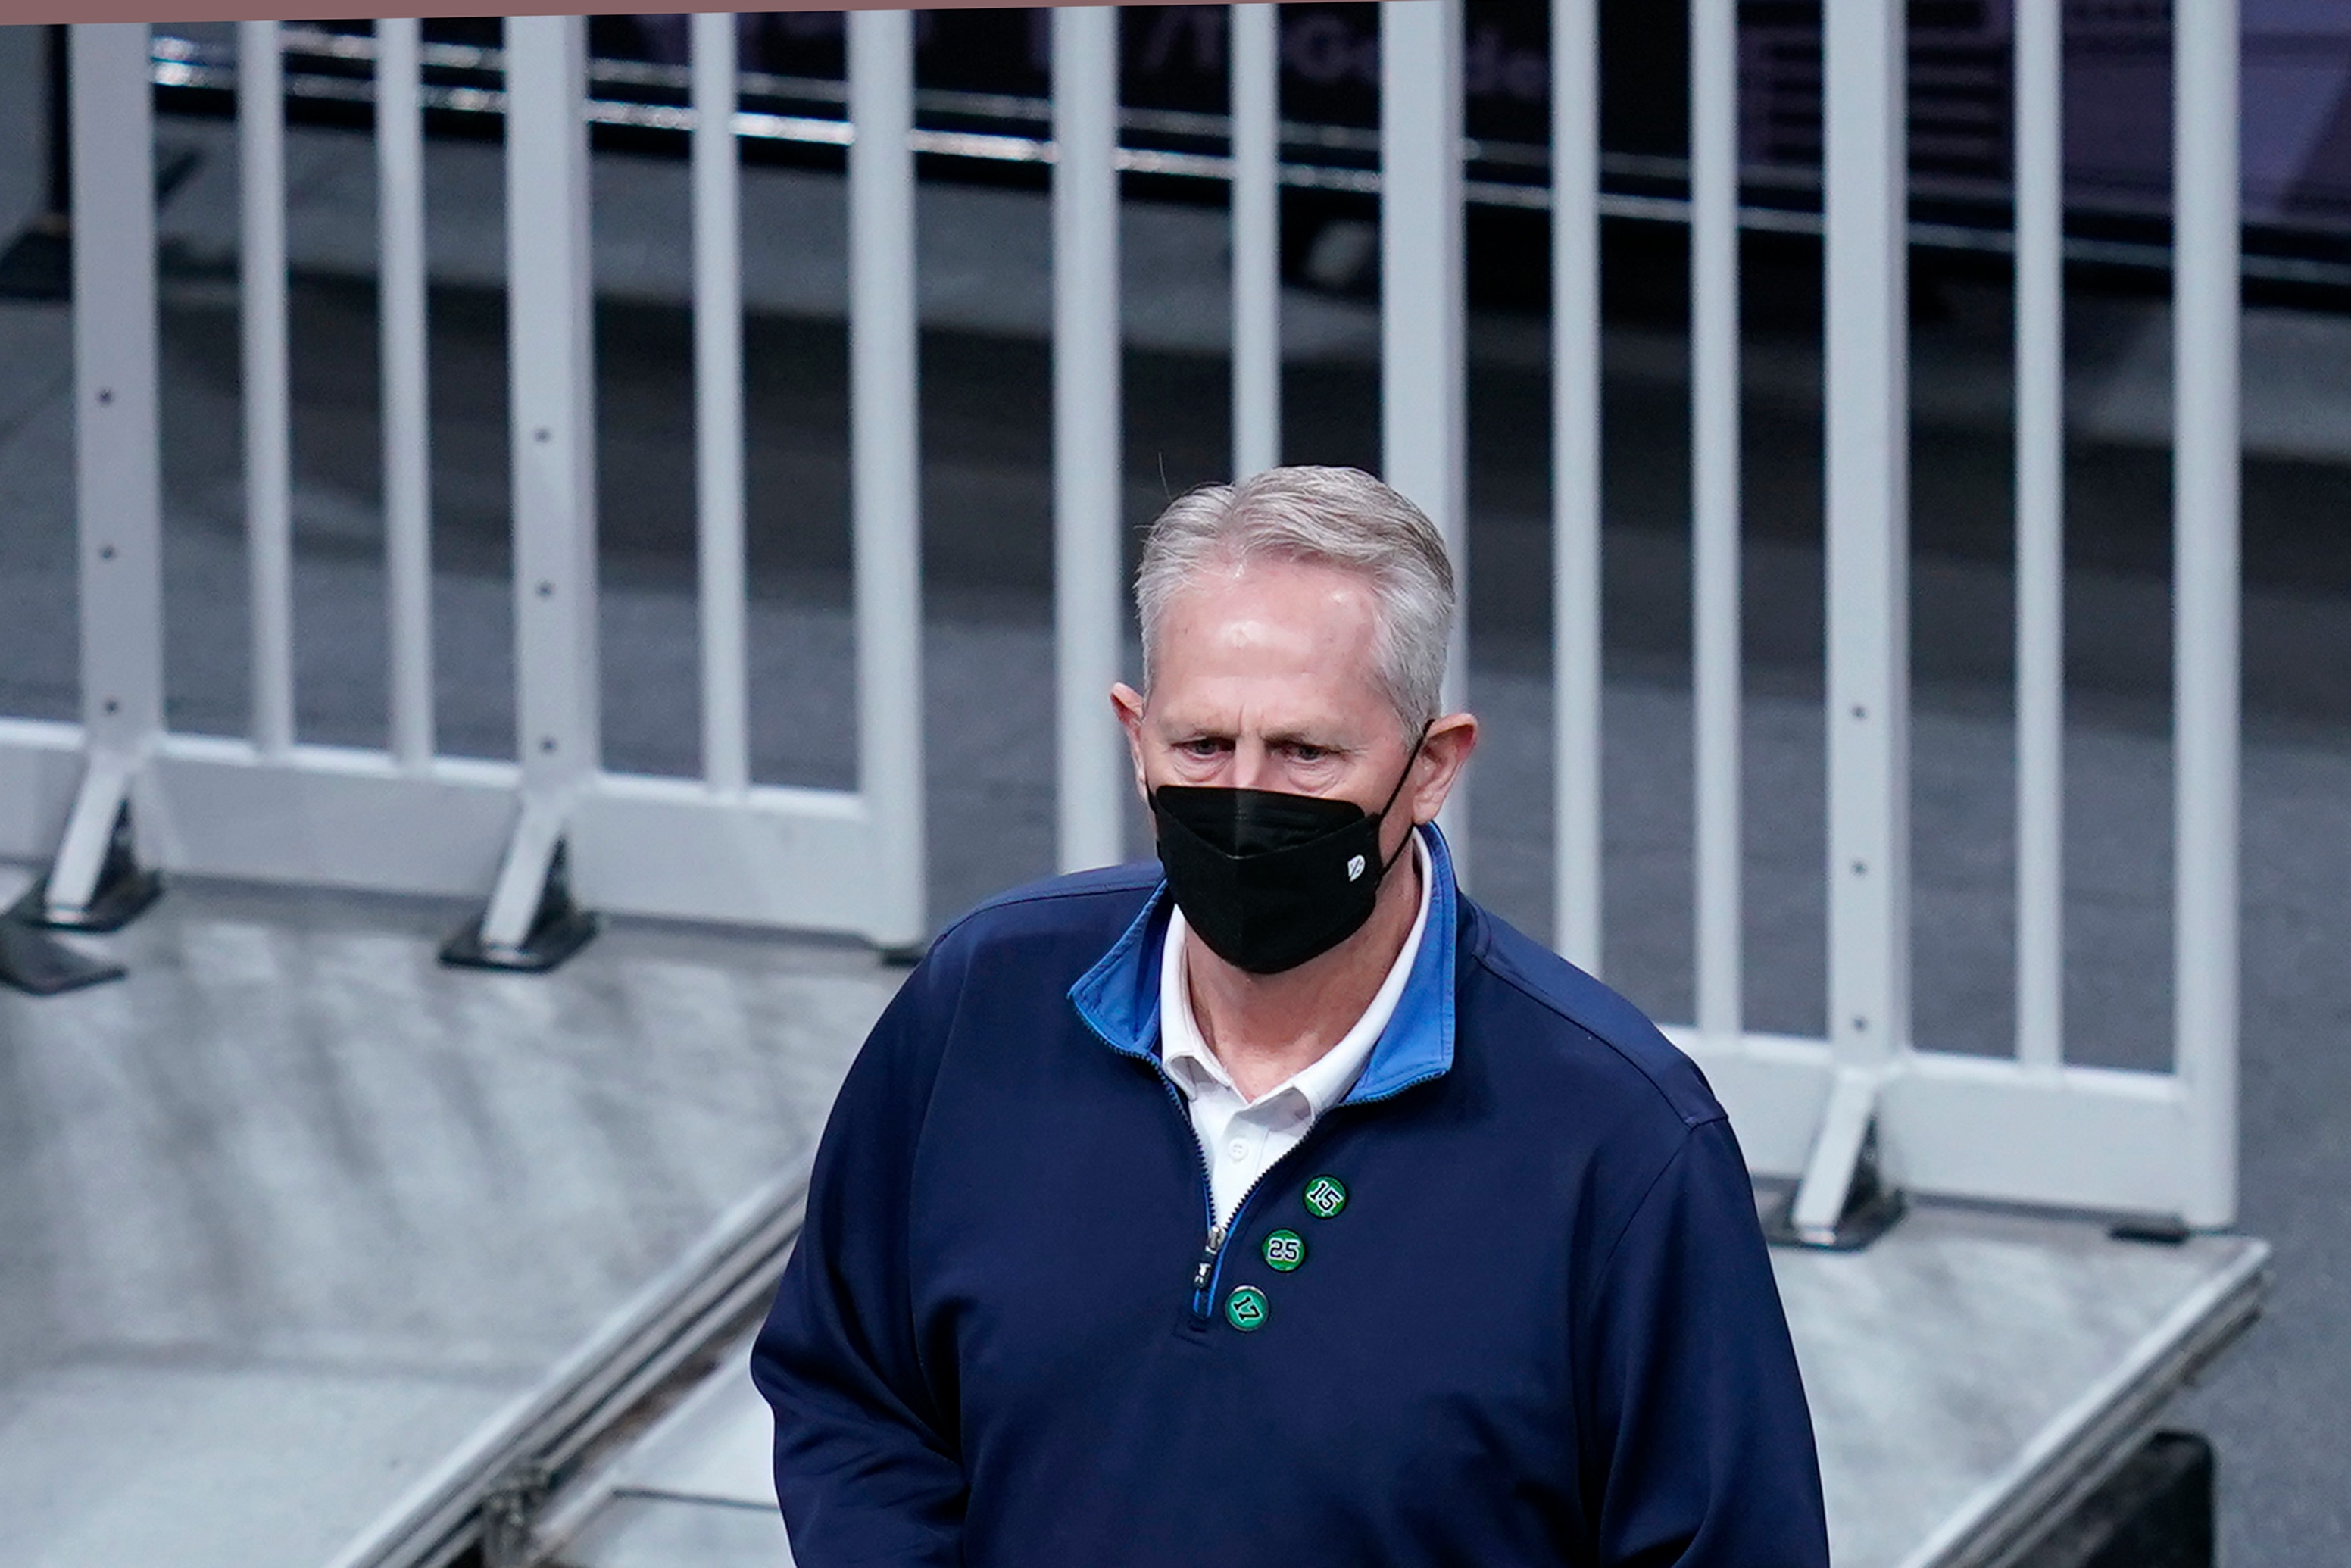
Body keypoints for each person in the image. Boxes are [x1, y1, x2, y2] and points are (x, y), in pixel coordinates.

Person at [752, 465, 1828, 1566]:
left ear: (1431, 766)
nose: (1244, 797)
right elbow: (853, 1392)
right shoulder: (984, 1002)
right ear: (1135, 735)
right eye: (1203, 746)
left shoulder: (1618, 1138)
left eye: (1307, 753)